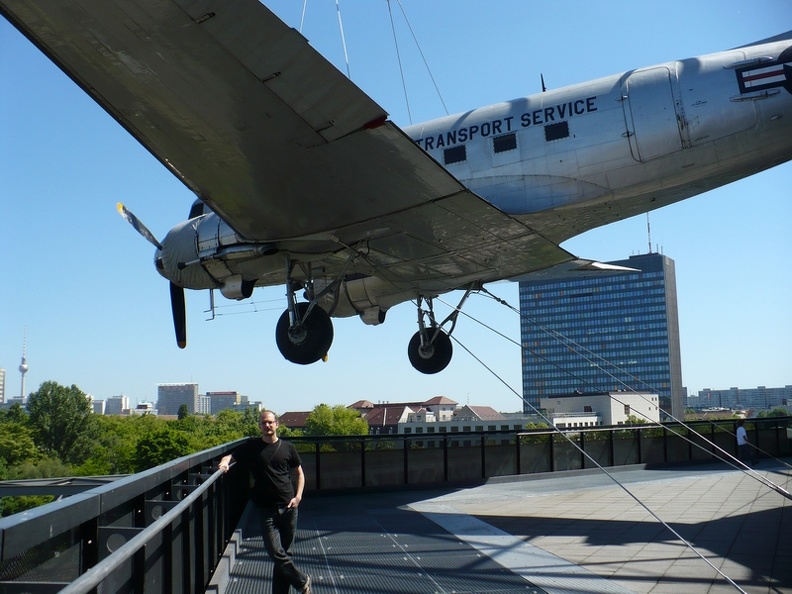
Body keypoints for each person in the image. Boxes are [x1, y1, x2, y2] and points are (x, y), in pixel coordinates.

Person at [218, 411, 312, 594]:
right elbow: (231, 457)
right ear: (260, 426)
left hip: (289, 506)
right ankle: (302, 581)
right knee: (276, 552)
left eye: (270, 422)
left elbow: (299, 473)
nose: (267, 426)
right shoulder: (252, 447)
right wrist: (224, 463)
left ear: (277, 424)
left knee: (285, 554)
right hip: (266, 508)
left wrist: (298, 497)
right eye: (263, 423)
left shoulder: (288, 447)